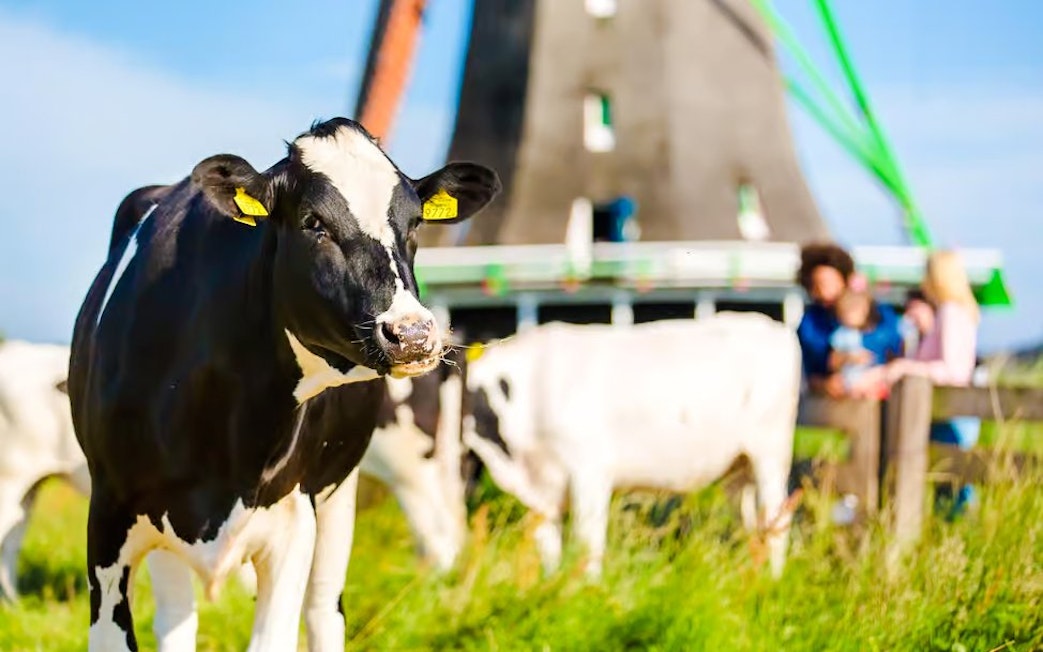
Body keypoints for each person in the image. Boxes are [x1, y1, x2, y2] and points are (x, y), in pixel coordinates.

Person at [883, 250, 982, 514]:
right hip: (947, 411)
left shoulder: (950, 312)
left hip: (950, 412)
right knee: (949, 483)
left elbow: (952, 370)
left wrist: (906, 367)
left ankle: (958, 535)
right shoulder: (953, 312)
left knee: (954, 483)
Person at [795, 242, 903, 398]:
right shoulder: (811, 323)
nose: (824, 292)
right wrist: (824, 383)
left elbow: (893, 350)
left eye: (829, 283)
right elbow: (808, 368)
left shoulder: (880, 315)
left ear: (845, 280)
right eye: (816, 285)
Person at [829, 289, 887, 398]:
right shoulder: (841, 335)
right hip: (850, 377)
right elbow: (833, 361)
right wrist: (850, 358)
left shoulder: (871, 333)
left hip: (866, 374)